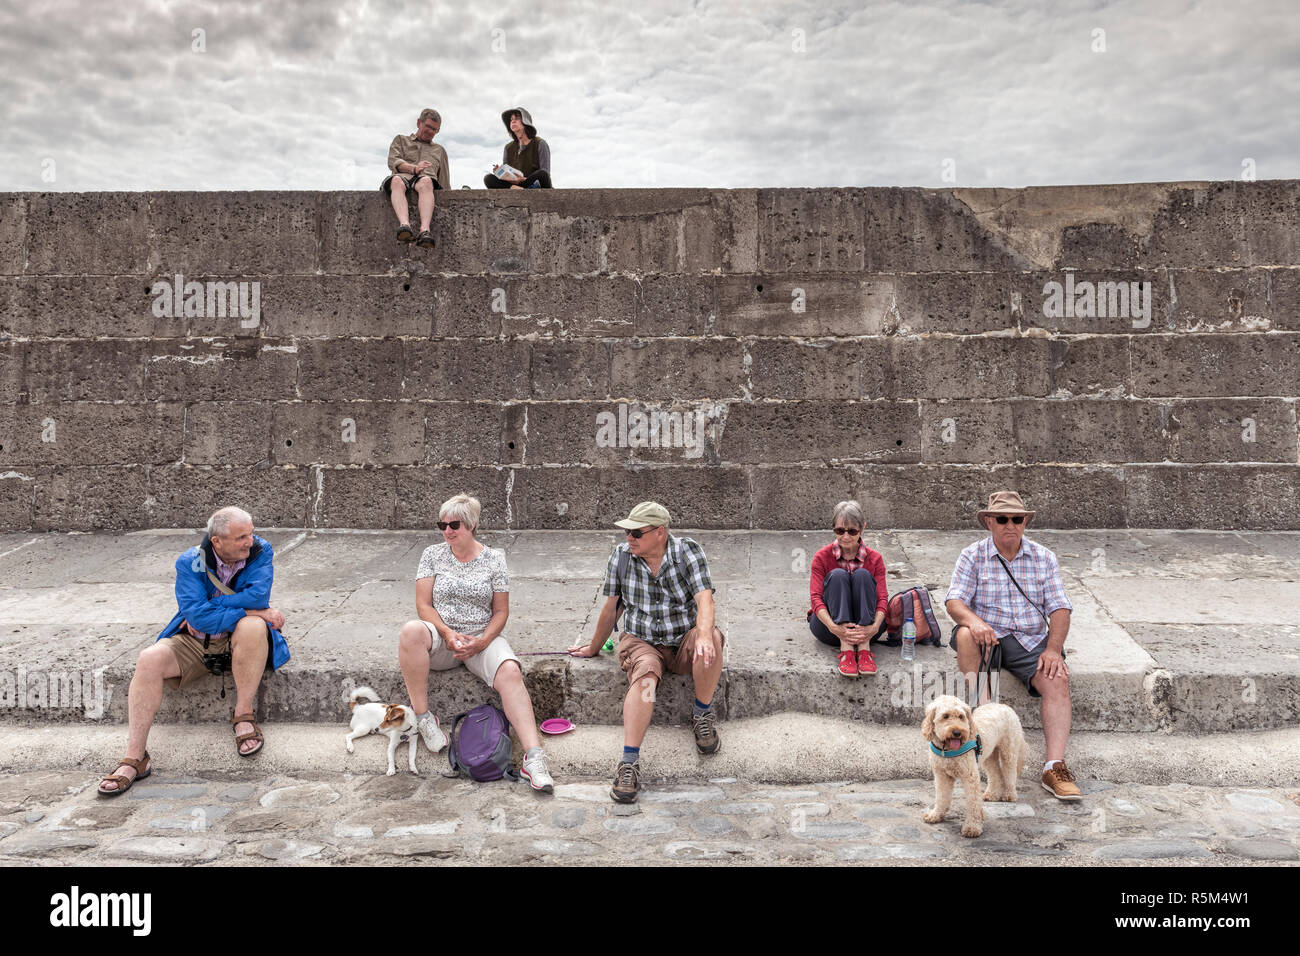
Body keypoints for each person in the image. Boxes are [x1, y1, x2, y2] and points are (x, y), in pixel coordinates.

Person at [98, 507, 289, 796]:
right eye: (241, 537)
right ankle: (135, 758)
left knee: (252, 627)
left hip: (241, 639)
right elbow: (198, 618)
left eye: (250, 533)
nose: (249, 541)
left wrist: (227, 608)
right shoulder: (191, 562)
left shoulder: (260, 550)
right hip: (195, 640)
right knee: (148, 659)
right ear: (216, 542)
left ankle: (244, 715)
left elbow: (258, 595)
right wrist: (251, 610)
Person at [396, 493, 554, 792]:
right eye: (442, 525)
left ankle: (534, 758)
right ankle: (423, 717)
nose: (447, 531)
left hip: (481, 635)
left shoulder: (494, 559)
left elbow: (501, 611)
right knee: (410, 631)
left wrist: (482, 642)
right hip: (442, 637)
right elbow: (423, 605)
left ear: (472, 525)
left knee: (510, 670)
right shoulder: (432, 554)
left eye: (454, 524)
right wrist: (445, 632)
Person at [568, 501, 723, 804]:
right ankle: (629, 763)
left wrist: (703, 635)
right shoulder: (621, 557)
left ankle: (702, 714)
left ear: (660, 533)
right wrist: (593, 647)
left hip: (682, 640)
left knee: (712, 641)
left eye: (637, 532)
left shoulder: (687, 551)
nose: (630, 538)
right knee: (646, 677)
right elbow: (611, 607)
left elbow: (705, 599)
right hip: (642, 641)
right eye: (627, 532)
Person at [944, 491, 1081, 800]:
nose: (1010, 525)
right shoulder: (972, 555)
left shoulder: (1043, 557)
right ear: (989, 522)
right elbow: (954, 601)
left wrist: (1053, 649)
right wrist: (975, 621)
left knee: (1057, 679)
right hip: (987, 635)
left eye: (1017, 519)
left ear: (1025, 522)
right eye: (1002, 519)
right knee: (965, 633)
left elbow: (1060, 608)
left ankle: (1054, 766)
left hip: (1029, 638)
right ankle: (985, 713)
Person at [808, 499, 886, 678]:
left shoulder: (875, 559)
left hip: (866, 629)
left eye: (852, 531)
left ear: (862, 529)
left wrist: (873, 628)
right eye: (839, 530)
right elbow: (815, 599)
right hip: (830, 628)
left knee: (863, 575)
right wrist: (835, 628)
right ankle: (846, 648)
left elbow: (882, 599)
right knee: (837, 575)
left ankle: (864, 648)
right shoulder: (821, 557)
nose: (845, 536)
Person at [382, 108, 450, 247]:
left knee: (425, 182)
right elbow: (393, 161)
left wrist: (448, 195)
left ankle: (424, 231)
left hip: (426, 181)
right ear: (419, 123)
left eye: (435, 130)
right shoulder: (401, 140)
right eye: (429, 127)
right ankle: (404, 226)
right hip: (402, 177)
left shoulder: (439, 150)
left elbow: (444, 177)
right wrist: (414, 168)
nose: (431, 132)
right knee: (396, 181)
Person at [483, 107, 553, 189]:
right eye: (511, 119)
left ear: (525, 122)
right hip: (515, 186)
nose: (513, 121)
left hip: (534, 184)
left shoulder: (540, 143)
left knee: (542, 174)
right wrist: (500, 173)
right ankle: (516, 189)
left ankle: (518, 189)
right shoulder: (508, 148)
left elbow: (546, 173)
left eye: (517, 118)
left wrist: (523, 179)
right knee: (488, 178)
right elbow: (507, 173)